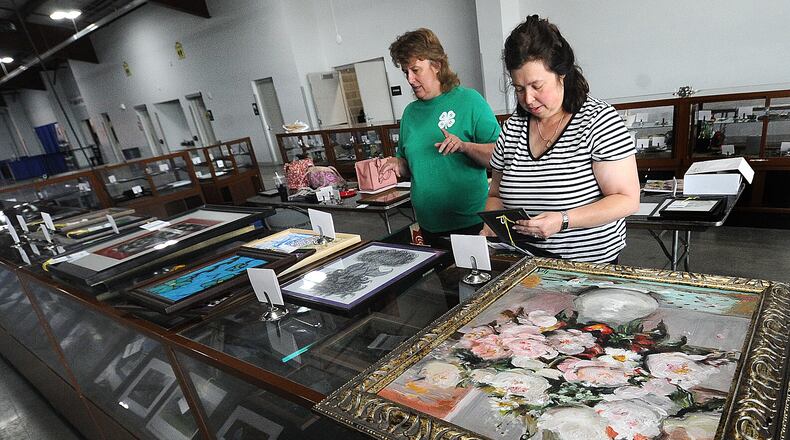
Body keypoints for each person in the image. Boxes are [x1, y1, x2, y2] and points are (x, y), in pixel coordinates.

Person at [482, 15, 640, 263]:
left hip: (587, 267)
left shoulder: (598, 121)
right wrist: (492, 225)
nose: (528, 99)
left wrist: (564, 220)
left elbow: (626, 199)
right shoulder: (513, 128)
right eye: (519, 89)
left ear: (562, 74)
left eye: (537, 86)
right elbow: (495, 196)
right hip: (525, 264)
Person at [379, 28, 501, 247]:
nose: (410, 79)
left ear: (436, 65)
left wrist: (465, 146)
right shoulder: (410, 113)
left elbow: (500, 155)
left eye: (415, 70)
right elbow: (411, 166)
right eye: (405, 72)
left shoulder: (470, 101)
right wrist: (398, 164)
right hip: (429, 226)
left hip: (472, 223)